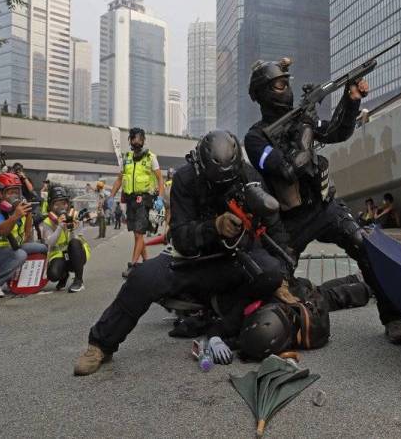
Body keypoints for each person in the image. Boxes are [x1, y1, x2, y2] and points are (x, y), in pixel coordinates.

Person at [73, 130, 294, 376]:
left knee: (272, 273)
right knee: (143, 278)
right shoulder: (185, 179)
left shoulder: (249, 176)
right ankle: (100, 344)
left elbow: (274, 228)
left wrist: (283, 276)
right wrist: (215, 227)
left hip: (236, 257)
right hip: (193, 259)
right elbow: (180, 236)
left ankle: (220, 321)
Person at [244, 57, 401, 344]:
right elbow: (287, 168)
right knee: (276, 280)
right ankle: (298, 315)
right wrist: (307, 125)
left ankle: (392, 317)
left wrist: (351, 101)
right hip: (291, 222)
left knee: (366, 248)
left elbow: (337, 132)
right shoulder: (256, 138)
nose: (286, 89)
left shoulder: (300, 119)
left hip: (326, 207)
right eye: (280, 84)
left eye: (286, 83)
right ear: (263, 92)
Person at [108, 128, 164, 277]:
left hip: (145, 200)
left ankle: (133, 265)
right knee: (136, 235)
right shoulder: (126, 158)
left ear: (144, 140)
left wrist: (160, 197)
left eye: (140, 138)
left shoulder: (151, 157)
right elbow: (120, 179)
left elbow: (160, 179)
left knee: (139, 233)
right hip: (131, 200)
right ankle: (147, 264)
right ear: (130, 141)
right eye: (134, 138)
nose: (137, 141)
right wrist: (111, 196)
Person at [0, 173, 47, 298]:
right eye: (10, 192)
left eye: (17, 192)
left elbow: (27, 235)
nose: (14, 196)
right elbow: (2, 230)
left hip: (11, 246)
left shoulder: (15, 209)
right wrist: (15, 216)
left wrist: (28, 214)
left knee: (42, 248)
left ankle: (21, 277)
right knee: (20, 255)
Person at [41, 185, 90, 293]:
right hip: (59, 255)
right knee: (53, 275)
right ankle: (64, 275)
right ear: (51, 205)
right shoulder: (47, 222)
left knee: (74, 243)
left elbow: (76, 241)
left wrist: (71, 229)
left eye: (63, 203)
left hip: (77, 253)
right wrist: (59, 226)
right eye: (56, 204)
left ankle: (78, 280)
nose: (61, 207)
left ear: (68, 204)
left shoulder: (76, 216)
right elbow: (50, 242)